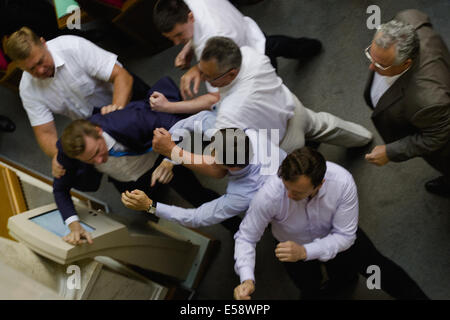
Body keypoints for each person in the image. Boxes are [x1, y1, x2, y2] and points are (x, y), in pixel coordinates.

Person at [233, 147, 429, 300]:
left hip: (336, 236)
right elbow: (246, 237)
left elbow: (345, 236)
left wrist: (306, 251)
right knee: (309, 288)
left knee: (376, 269)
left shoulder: (342, 182)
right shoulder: (269, 195)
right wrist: (247, 277)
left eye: (298, 192)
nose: (289, 195)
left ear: (319, 184)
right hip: (291, 249)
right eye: (286, 187)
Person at [53, 77, 219, 245]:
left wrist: (170, 159)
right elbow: (60, 189)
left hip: (157, 160)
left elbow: (183, 126)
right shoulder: (68, 152)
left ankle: (235, 225)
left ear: (98, 130)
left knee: (198, 196)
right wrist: (73, 224)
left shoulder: (131, 121)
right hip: (126, 181)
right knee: (151, 211)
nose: (99, 160)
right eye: (90, 159)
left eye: (98, 151)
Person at [4, 27, 151, 178]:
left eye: (41, 61)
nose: (40, 70)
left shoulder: (73, 46)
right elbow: (45, 132)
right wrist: (59, 156)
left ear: (44, 43)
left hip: (125, 96)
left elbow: (121, 77)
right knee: (126, 170)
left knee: (160, 137)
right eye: (31, 69)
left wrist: (116, 116)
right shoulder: (27, 89)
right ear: (20, 67)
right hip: (93, 124)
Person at [187, 36, 372, 155]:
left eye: (209, 76)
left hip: (285, 145)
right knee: (326, 125)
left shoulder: (229, 113)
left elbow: (224, 155)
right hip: (293, 108)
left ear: (232, 74)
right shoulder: (249, 54)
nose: (204, 79)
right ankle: (364, 138)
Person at [151, 0, 321, 113]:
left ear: (190, 16)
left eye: (179, 35)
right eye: (171, 38)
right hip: (247, 29)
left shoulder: (210, 44)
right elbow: (200, 28)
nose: (176, 42)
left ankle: (308, 126)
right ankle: (311, 46)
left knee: (276, 98)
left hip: (251, 62)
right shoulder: (188, 4)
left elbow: (215, 98)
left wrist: (168, 107)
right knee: (274, 44)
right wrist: (187, 48)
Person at [122, 115, 286, 232]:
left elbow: (195, 217)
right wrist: (170, 158)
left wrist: (149, 206)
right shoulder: (246, 134)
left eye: (212, 153)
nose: (209, 153)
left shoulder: (242, 195)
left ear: (228, 167)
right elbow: (201, 119)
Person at [363, 9, 450, 197]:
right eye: (371, 54)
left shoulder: (429, 101)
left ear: (406, 64)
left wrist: (391, 152)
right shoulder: (409, 18)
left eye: (381, 65)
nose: (371, 67)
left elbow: (435, 138)